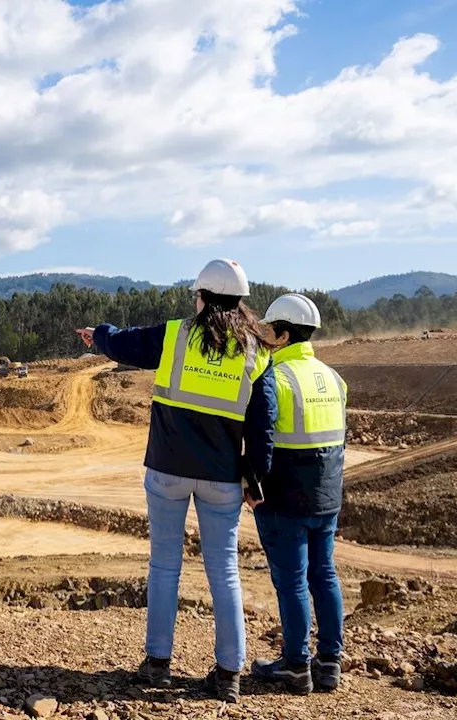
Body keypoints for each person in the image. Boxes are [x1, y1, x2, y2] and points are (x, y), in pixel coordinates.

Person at [76, 259, 276, 704]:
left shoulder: (176, 335)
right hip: (222, 477)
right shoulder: (257, 353)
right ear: (240, 304)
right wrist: (254, 477)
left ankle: (158, 663)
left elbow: (125, 344)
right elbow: (263, 427)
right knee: (223, 571)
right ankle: (229, 674)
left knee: (165, 566)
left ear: (201, 298)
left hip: (166, 469)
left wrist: (100, 333)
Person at [248, 293, 348, 695]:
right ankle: (329, 663)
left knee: (291, 583)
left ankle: (295, 665)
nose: (266, 339)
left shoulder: (275, 377)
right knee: (324, 575)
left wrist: (250, 480)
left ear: (284, 334)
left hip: (285, 497)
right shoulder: (334, 378)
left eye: (270, 332)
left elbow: (262, 435)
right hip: (327, 496)